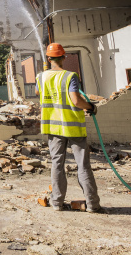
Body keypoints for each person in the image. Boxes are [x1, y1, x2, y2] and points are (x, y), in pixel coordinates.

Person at [36, 43, 102, 213]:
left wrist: (46, 73)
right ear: (64, 57)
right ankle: (93, 204)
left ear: (49, 59)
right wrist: (91, 107)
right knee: (83, 165)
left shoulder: (41, 77)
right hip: (72, 126)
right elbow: (76, 100)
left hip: (53, 127)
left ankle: (57, 202)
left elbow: (38, 92)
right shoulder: (70, 76)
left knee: (57, 164)